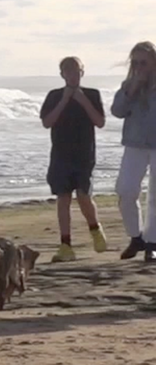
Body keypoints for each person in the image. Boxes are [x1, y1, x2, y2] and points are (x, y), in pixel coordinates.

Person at [39, 56, 108, 261]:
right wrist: (64, 100)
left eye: (77, 72)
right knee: (63, 198)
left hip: (84, 154)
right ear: (62, 74)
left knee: (83, 195)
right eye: (69, 72)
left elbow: (100, 121)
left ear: (82, 73)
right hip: (61, 154)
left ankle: (95, 228)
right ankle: (66, 244)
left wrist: (82, 100)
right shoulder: (54, 95)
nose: (73, 75)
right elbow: (47, 122)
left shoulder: (92, 94)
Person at [114, 40, 156, 261]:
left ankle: (152, 242)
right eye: (136, 62)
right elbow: (117, 111)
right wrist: (133, 89)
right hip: (134, 144)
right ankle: (136, 237)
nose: (140, 67)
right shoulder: (128, 85)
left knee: (155, 197)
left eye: (144, 62)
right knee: (126, 190)